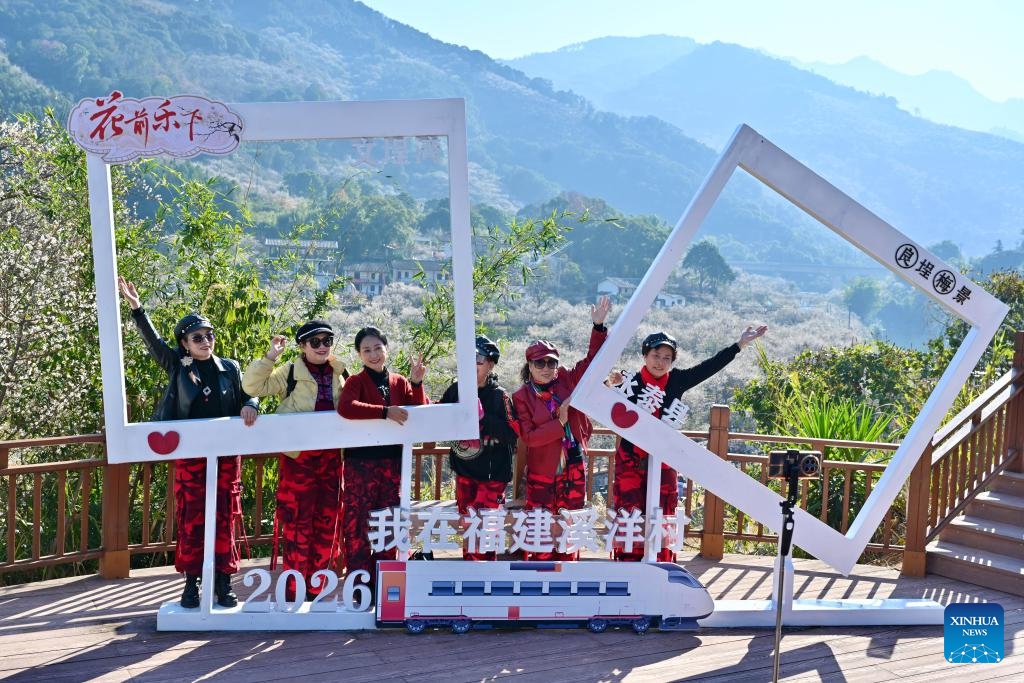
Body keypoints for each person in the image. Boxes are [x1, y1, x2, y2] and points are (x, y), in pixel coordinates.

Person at [117, 276, 258, 608]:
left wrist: (251, 405)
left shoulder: (230, 368)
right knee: (192, 520)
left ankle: (224, 582)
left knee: (226, 517)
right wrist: (137, 308)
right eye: (197, 337)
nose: (205, 341)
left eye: (209, 335)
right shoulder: (178, 368)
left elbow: (247, 394)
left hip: (225, 458)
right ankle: (191, 584)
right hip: (192, 458)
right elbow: (153, 343)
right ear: (184, 343)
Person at [611, 325, 768, 562]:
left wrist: (739, 345)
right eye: (655, 355)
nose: (660, 362)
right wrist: (610, 383)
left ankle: (662, 563)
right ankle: (627, 564)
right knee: (630, 511)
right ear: (644, 355)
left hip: (663, 459)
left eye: (667, 358)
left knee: (662, 512)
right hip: (631, 460)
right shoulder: (629, 381)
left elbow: (709, 367)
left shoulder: (677, 380)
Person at [242, 320, 347, 600]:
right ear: (302, 346)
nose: (323, 346)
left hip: (331, 461)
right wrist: (270, 356)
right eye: (315, 342)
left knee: (327, 524)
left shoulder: (341, 372)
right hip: (299, 461)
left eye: (327, 340)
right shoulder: (289, 372)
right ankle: (293, 590)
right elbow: (252, 385)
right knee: (298, 524)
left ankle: (315, 589)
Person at [512, 296, 612, 561]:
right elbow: (530, 437)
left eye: (551, 362)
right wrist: (561, 422)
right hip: (542, 472)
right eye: (540, 363)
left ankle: (569, 578)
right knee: (539, 530)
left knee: (571, 526)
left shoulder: (567, 379)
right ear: (529, 366)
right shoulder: (521, 396)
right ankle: (536, 582)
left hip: (573, 468)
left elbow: (593, 362)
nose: (547, 368)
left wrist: (598, 327)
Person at [337, 326, 428, 588]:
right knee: (358, 525)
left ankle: (387, 584)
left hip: (392, 464)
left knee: (391, 522)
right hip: (360, 465)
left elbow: (418, 410)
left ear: (386, 349)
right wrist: (384, 411)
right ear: (359, 354)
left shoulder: (400, 381)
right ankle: (360, 586)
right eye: (367, 350)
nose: (373, 354)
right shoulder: (355, 381)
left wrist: (418, 382)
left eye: (378, 348)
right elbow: (346, 407)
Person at [438, 335, 519, 560]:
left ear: (491, 364)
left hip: (492, 477)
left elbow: (513, 434)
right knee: (469, 527)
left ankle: (485, 579)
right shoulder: (455, 390)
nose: (472, 365)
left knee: (485, 529)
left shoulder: (499, 396)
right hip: (464, 472)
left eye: (479, 359)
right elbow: (438, 419)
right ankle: (470, 575)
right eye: (468, 359)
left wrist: (483, 419)